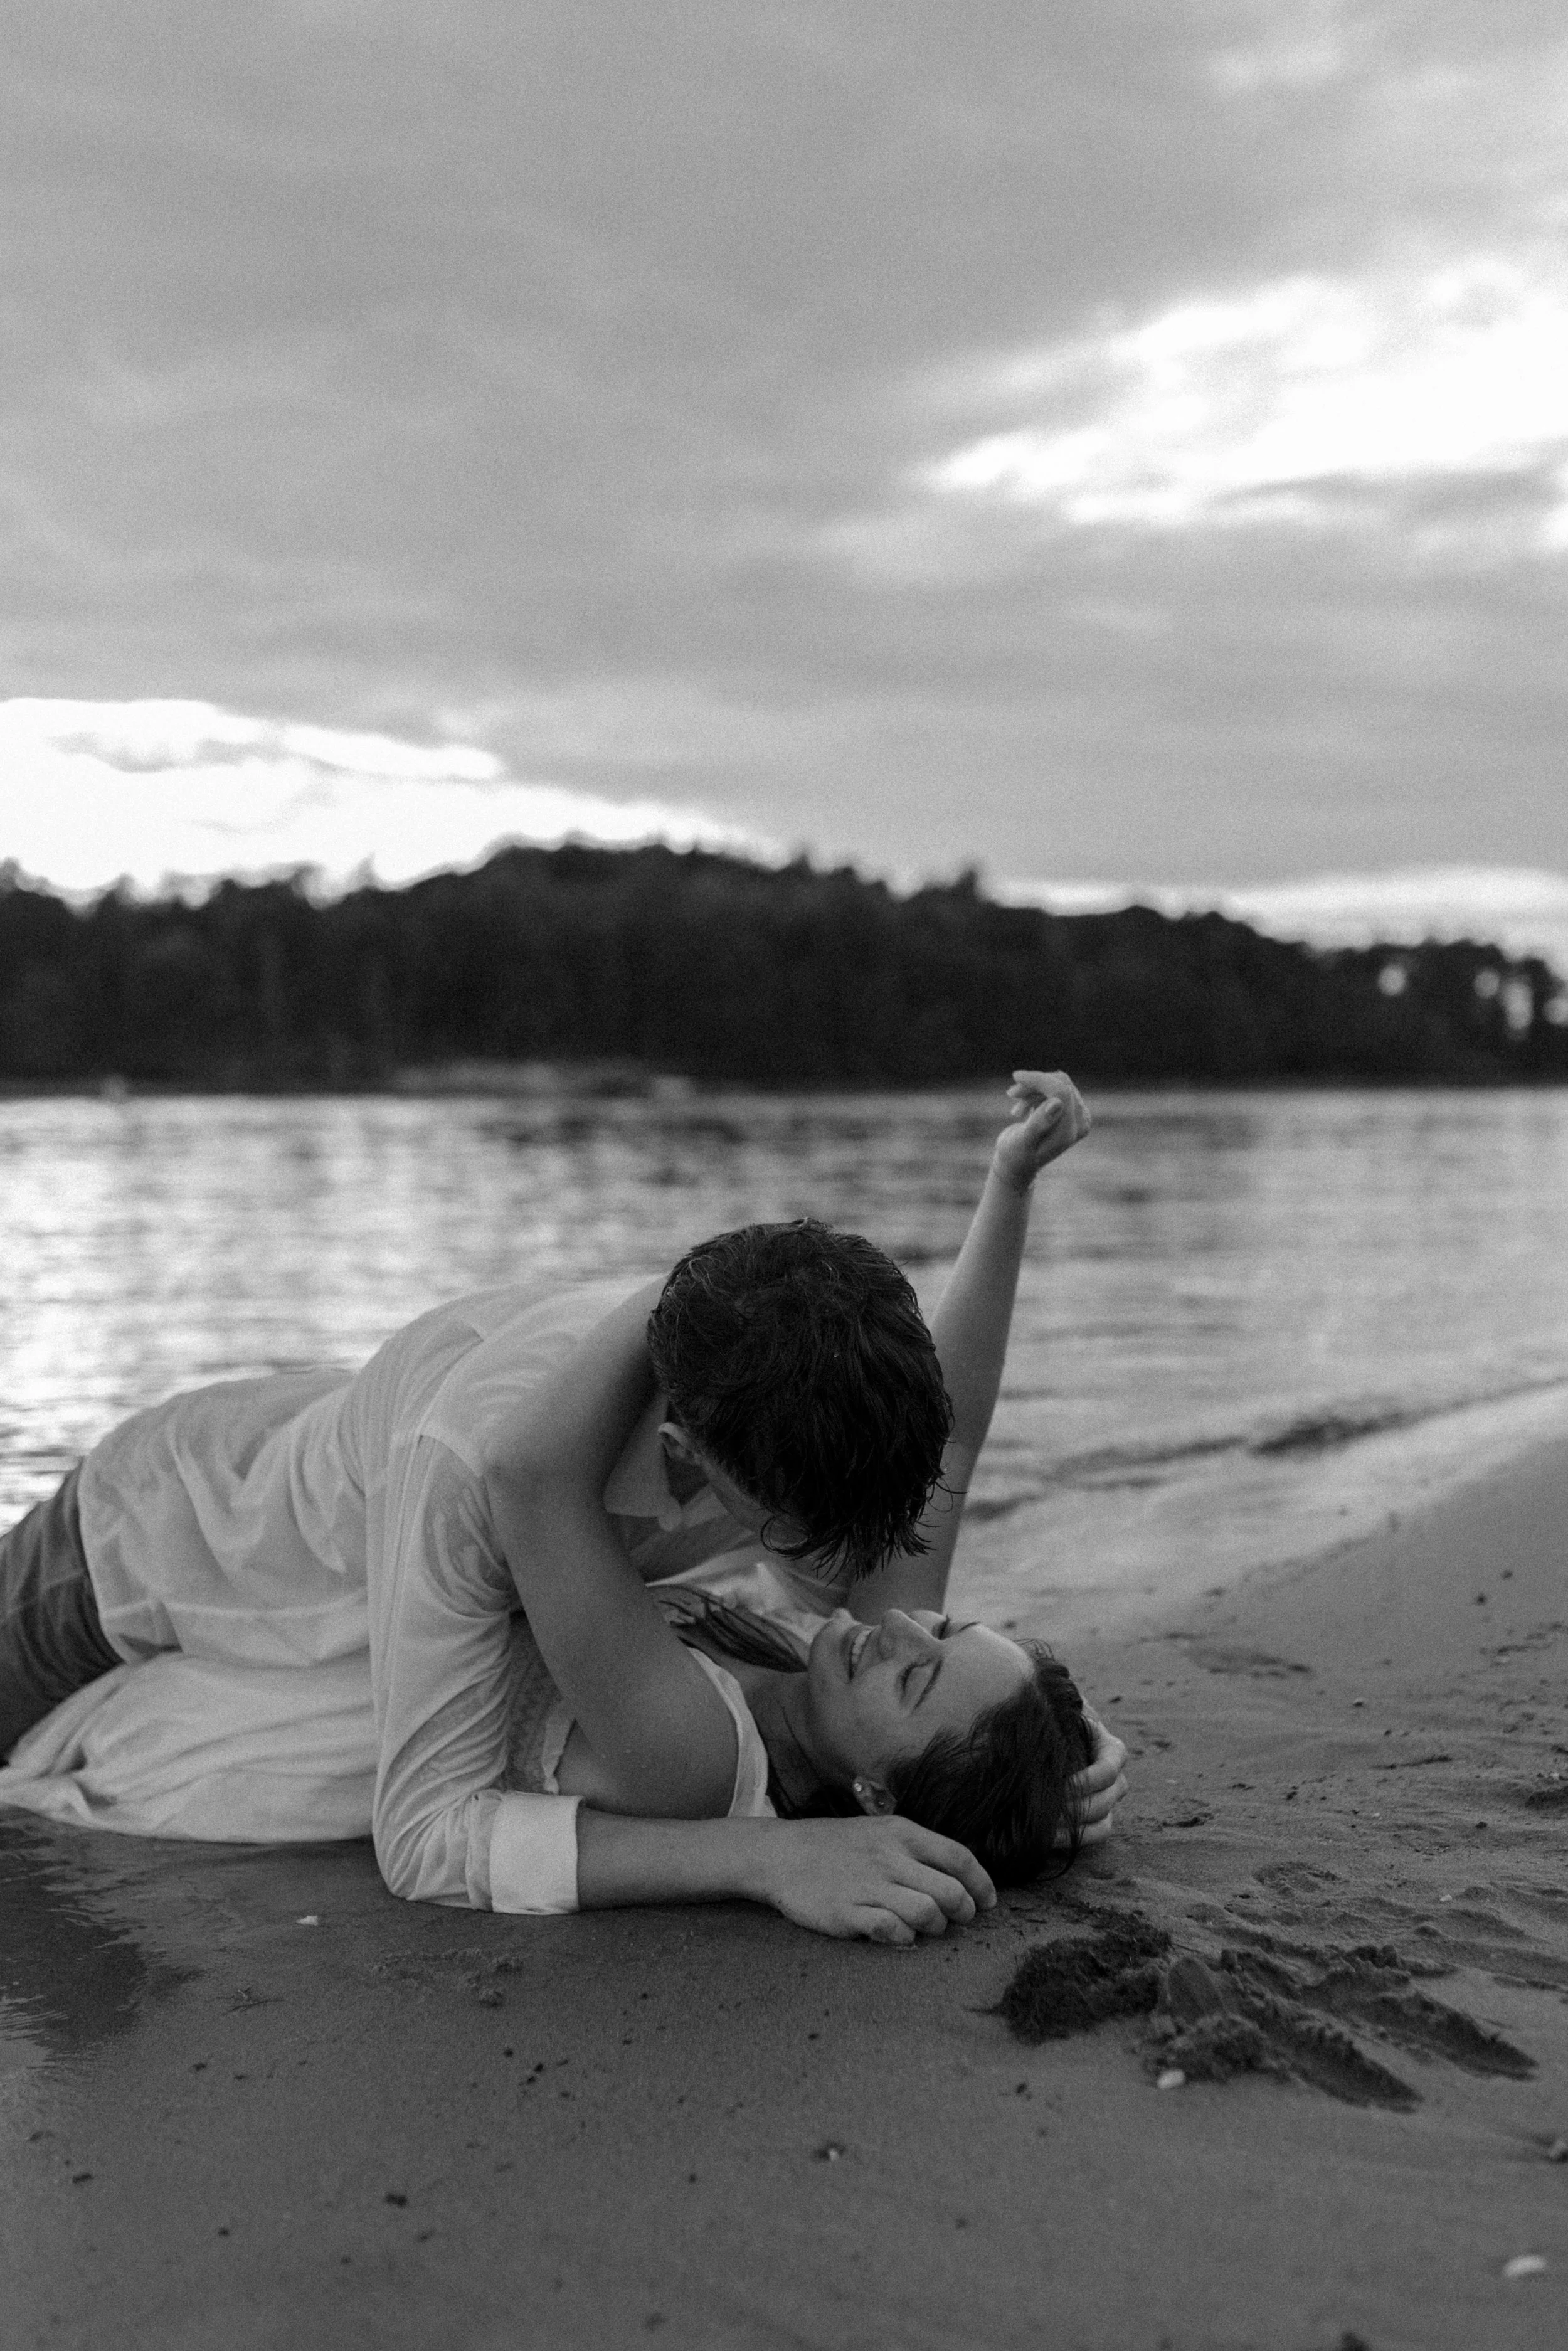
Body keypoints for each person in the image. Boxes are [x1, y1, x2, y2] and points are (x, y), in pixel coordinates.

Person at [1, 1073, 1127, 1943]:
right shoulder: (494, 1457)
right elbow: (520, 1477)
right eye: (816, 1545)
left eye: (925, 1653)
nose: (874, 1598)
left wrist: (1037, 1750)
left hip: (266, 1608)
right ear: (691, 1458)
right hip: (147, 1549)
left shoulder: (784, 1412)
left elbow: (947, 1449)